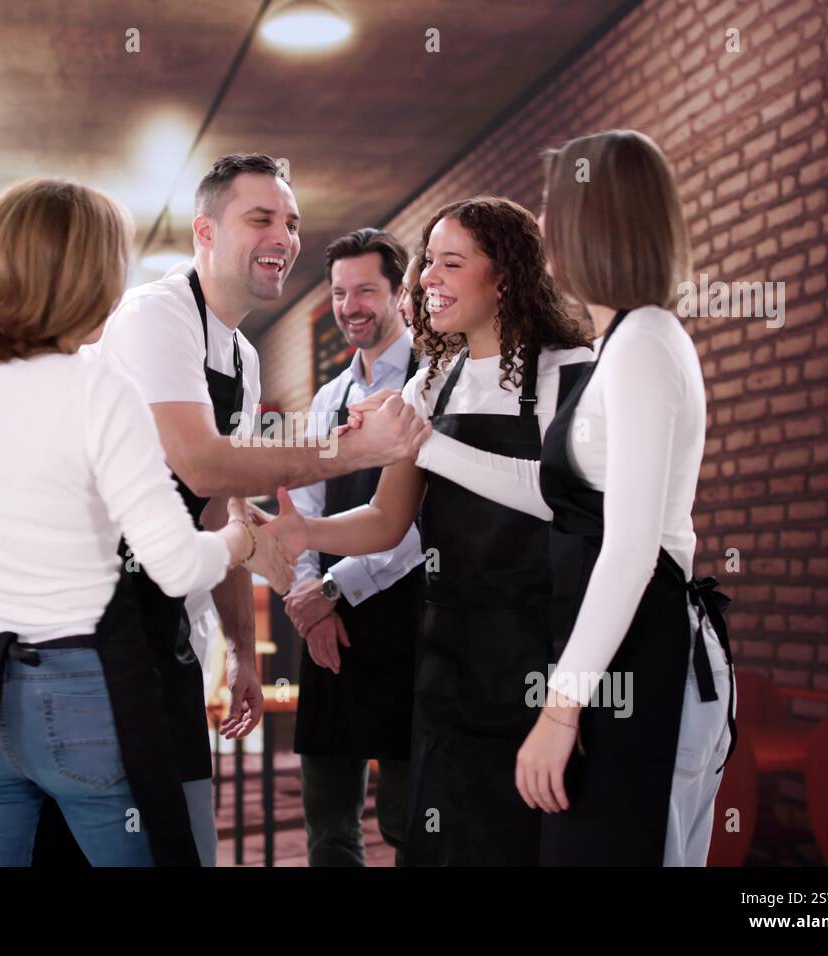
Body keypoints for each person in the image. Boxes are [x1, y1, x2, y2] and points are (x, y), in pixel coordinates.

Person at [0, 177, 299, 866]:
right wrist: (242, 539)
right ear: (86, 277)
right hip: (78, 685)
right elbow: (174, 563)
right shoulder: (97, 390)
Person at [392, 130, 737, 866]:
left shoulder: (644, 340)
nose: (543, 226)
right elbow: (555, 495)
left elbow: (632, 547)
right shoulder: (624, 340)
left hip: (644, 642)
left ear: (595, 221)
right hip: (614, 645)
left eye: (555, 208)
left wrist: (560, 705)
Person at [96, 153, 430, 864]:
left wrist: (244, 650)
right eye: (261, 218)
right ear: (205, 232)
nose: (284, 234)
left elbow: (222, 509)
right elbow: (201, 461)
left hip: (170, 629)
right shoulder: (155, 316)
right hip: (97, 629)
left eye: (292, 221)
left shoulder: (245, 359)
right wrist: (347, 455)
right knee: (120, 840)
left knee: (190, 841)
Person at [266, 196, 593, 864]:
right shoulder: (432, 383)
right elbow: (388, 521)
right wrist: (307, 534)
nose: (427, 282)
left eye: (451, 263)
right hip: (447, 659)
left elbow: (566, 502)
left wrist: (427, 445)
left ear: (505, 275)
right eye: (426, 265)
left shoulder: (569, 370)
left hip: (541, 651)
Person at [284, 228, 425, 866]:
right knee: (329, 827)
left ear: (399, 293)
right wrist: (308, 600)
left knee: (408, 823)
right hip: (327, 629)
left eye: (366, 289)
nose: (350, 306)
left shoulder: (433, 383)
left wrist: (333, 588)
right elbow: (303, 511)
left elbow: (419, 525)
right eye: (339, 293)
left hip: (408, 625)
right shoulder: (327, 398)